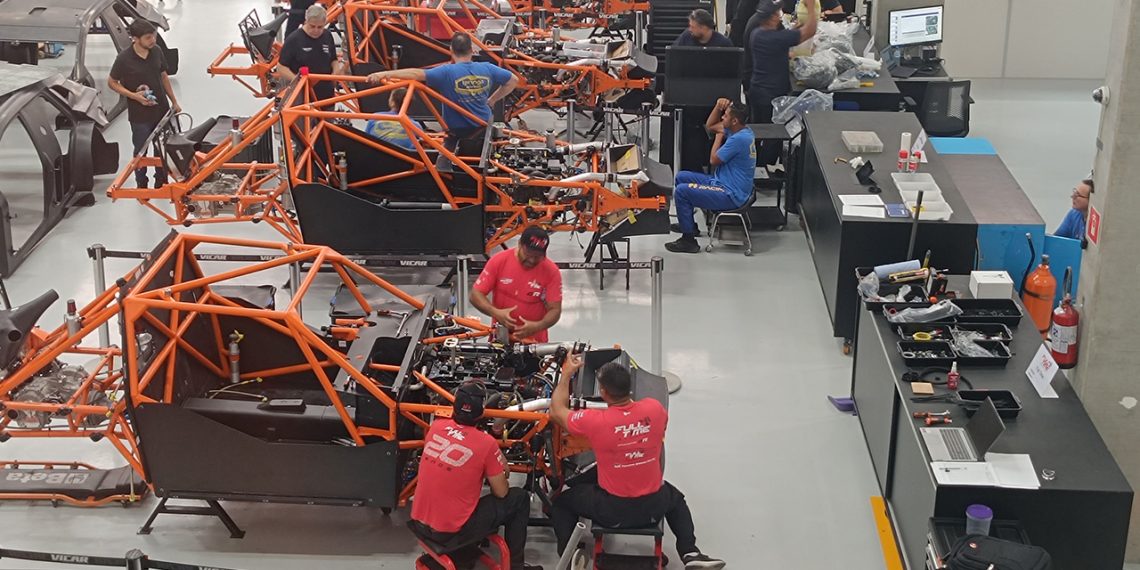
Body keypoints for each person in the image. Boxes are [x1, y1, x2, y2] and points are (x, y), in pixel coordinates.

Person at [549, 357, 725, 570]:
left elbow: (556, 411)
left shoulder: (594, 421)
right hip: (654, 507)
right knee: (676, 499)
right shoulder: (655, 409)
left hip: (611, 512)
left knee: (561, 503)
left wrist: (567, 373)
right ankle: (690, 553)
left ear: (603, 392)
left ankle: (568, 560)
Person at [410, 382, 542, 570]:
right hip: (449, 533)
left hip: (419, 523)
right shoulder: (486, 443)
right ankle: (516, 567)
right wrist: (499, 463)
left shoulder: (436, 427)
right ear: (481, 412)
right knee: (519, 499)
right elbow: (502, 493)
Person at [367, 33, 519, 152]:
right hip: (484, 127)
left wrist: (384, 74)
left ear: (451, 50)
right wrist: (492, 100)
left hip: (457, 133)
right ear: (472, 50)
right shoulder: (487, 68)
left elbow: (415, 73)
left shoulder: (446, 72)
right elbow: (513, 80)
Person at [665, 101, 756, 254]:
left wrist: (719, 137)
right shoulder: (741, 130)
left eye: (725, 115)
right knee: (681, 177)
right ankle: (689, 226)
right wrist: (718, 107)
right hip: (722, 182)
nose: (722, 117)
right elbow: (710, 126)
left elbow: (713, 160)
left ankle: (688, 241)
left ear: (734, 121)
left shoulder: (738, 139)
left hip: (730, 194)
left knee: (681, 192)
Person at [108, 19, 180, 190]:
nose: (152, 40)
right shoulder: (124, 59)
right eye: (148, 38)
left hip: (161, 111)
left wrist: (174, 101)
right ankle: (142, 182)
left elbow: (163, 76)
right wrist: (134, 96)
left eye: (153, 36)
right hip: (140, 115)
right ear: (135, 38)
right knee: (141, 149)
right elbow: (112, 82)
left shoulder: (157, 51)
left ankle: (161, 181)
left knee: (162, 148)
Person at [470, 226, 562, 343]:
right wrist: (495, 312)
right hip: (501, 339)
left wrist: (538, 326)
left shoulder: (551, 271)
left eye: (537, 256)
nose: (532, 260)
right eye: (528, 254)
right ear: (519, 244)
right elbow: (475, 295)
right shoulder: (499, 261)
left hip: (534, 343)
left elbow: (555, 310)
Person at [277, 4, 345, 101]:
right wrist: (298, 82)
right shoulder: (294, 39)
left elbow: (333, 59)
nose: (316, 30)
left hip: (326, 95)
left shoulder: (327, 35)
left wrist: (335, 72)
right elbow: (281, 67)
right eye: (312, 26)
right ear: (306, 21)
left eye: (320, 27)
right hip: (303, 96)